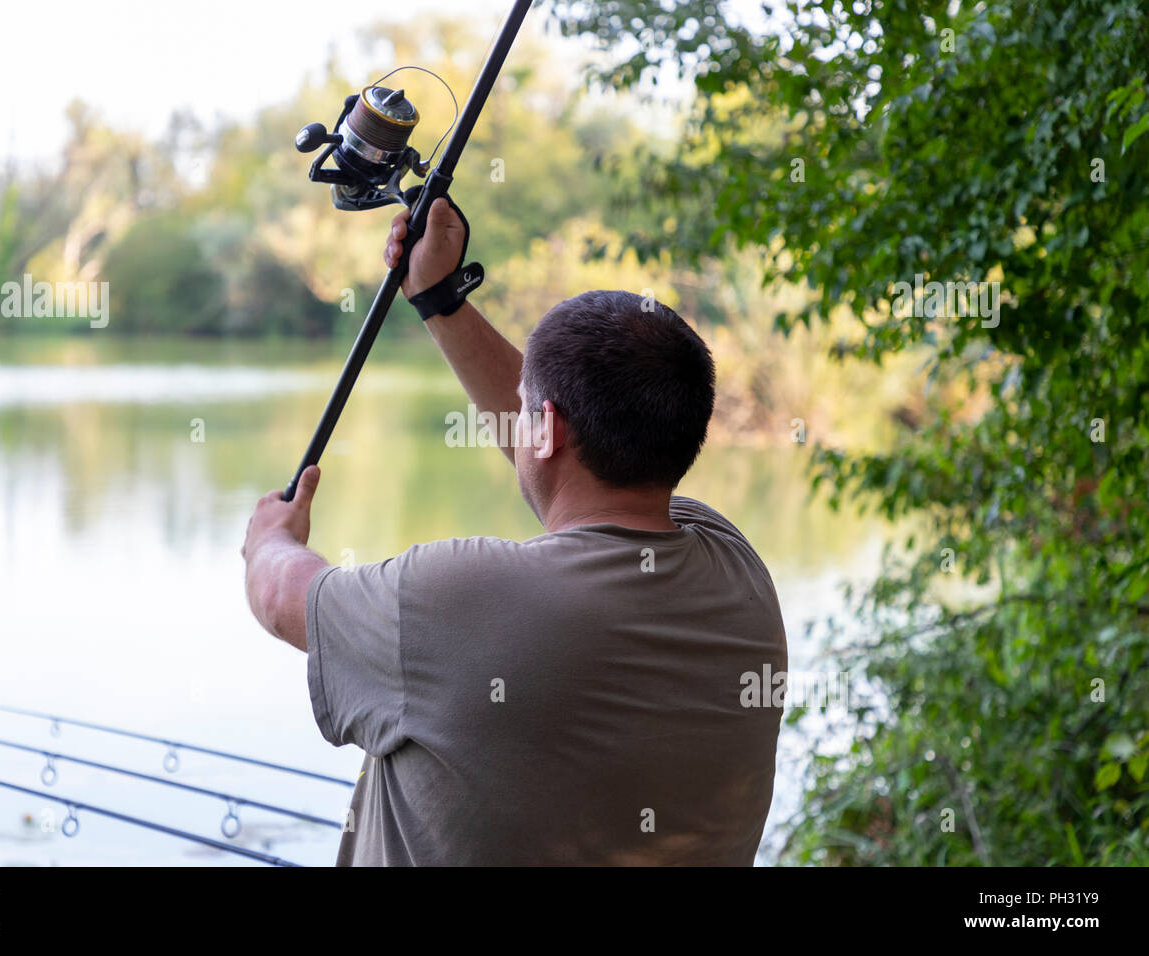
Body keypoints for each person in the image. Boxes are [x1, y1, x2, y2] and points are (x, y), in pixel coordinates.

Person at [242, 198, 788, 865]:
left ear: (548, 428)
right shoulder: (737, 569)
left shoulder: (454, 599)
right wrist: (441, 300)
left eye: (529, 411)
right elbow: (574, 450)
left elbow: (280, 600)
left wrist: (271, 538)